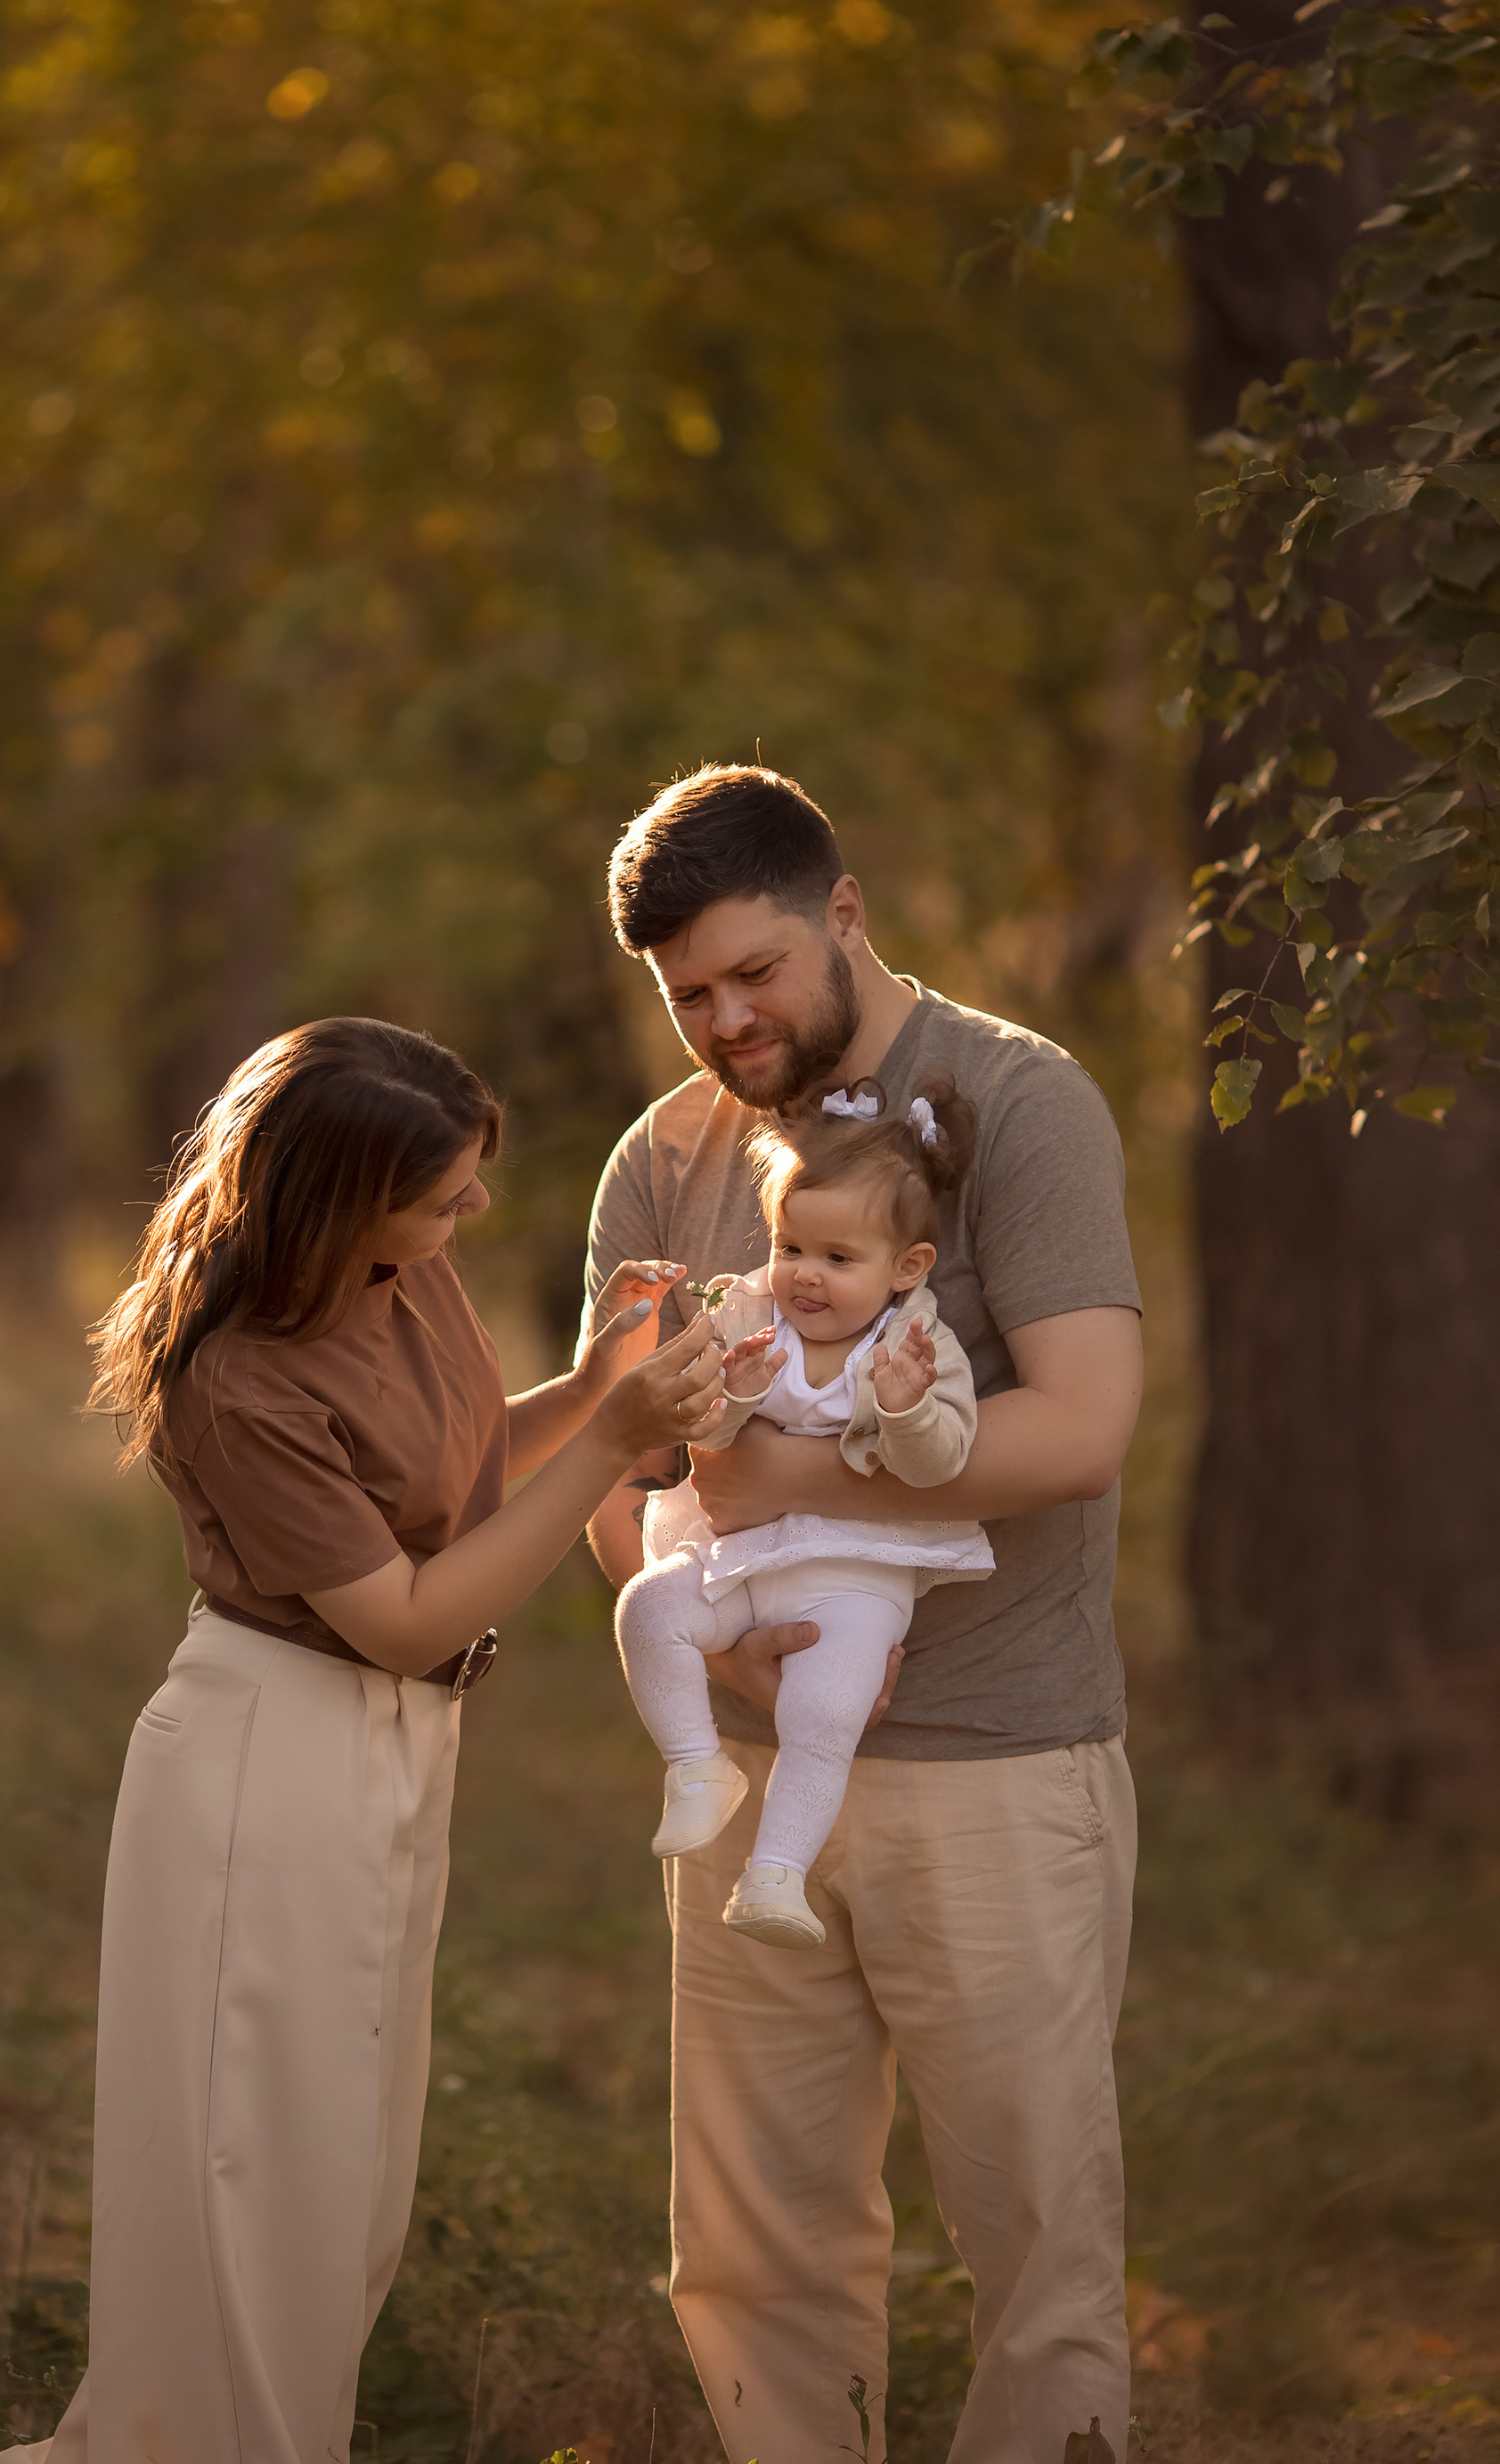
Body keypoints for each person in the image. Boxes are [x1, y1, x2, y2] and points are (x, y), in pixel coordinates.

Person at [0, 1016, 730, 2464]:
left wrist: (590, 1390)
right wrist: (606, 1437)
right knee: (245, 2171)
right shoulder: (239, 1376)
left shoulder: (410, 1279)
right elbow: (397, 1611)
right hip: (272, 1756)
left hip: (393, 1752)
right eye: (445, 1191)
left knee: (343, 2187)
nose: (476, 1212)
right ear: (335, 1200)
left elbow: (443, 1474)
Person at [583, 765, 1143, 2464]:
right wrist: (692, 1602)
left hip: (997, 1757)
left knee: (1035, 2236)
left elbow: (1085, 1420)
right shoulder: (668, 1155)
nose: (727, 1020)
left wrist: (794, 1494)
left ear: (843, 909)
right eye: (688, 994)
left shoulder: (1019, 1099)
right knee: (755, 2250)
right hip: (750, 1768)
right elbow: (611, 1453)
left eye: (754, 972)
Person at [612, 1081, 990, 1950]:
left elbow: (941, 1466)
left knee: (825, 1709)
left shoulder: (915, 1350)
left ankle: (775, 1874)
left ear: (907, 1267)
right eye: (789, 1245)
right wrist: (732, 1399)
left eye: (837, 1257)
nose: (804, 1274)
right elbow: (697, 1433)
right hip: (740, 1551)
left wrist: (905, 1411)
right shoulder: (751, 1318)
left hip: (851, 1574)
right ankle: (696, 1764)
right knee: (649, 1608)